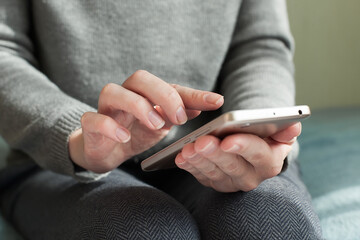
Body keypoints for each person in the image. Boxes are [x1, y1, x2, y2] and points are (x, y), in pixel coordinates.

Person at [0, 0, 323, 239]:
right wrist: (75, 135)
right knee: (148, 231)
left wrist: (257, 132)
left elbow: (259, 44)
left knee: (277, 226)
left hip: (213, 147)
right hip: (63, 162)